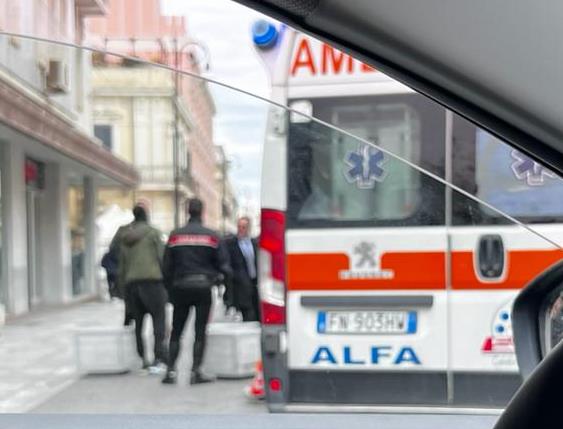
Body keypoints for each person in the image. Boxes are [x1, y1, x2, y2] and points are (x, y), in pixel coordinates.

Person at [162, 198, 232, 385]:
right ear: (201, 212)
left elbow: (166, 266)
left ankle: (170, 371)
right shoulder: (211, 236)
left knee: (177, 331)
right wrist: (219, 280)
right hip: (203, 288)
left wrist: (170, 289)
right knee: (199, 331)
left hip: (180, 287)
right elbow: (224, 264)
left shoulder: (175, 236)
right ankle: (195, 372)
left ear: (187, 211)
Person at [118, 205, 168, 371]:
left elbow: (122, 264)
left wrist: (121, 288)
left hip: (132, 284)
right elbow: (161, 257)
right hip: (152, 283)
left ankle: (143, 358)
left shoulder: (125, 236)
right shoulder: (153, 233)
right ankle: (159, 356)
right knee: (158, 320)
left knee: (138, 324)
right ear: (146, 216)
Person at [224, 216, 260, 322]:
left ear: (248, 228)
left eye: (243, 227)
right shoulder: (231, 244)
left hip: (255, 282)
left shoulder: (255, 243)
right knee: (248, 313)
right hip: (241, 284)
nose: (240, 229)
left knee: (257, 311)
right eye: (239, 227)